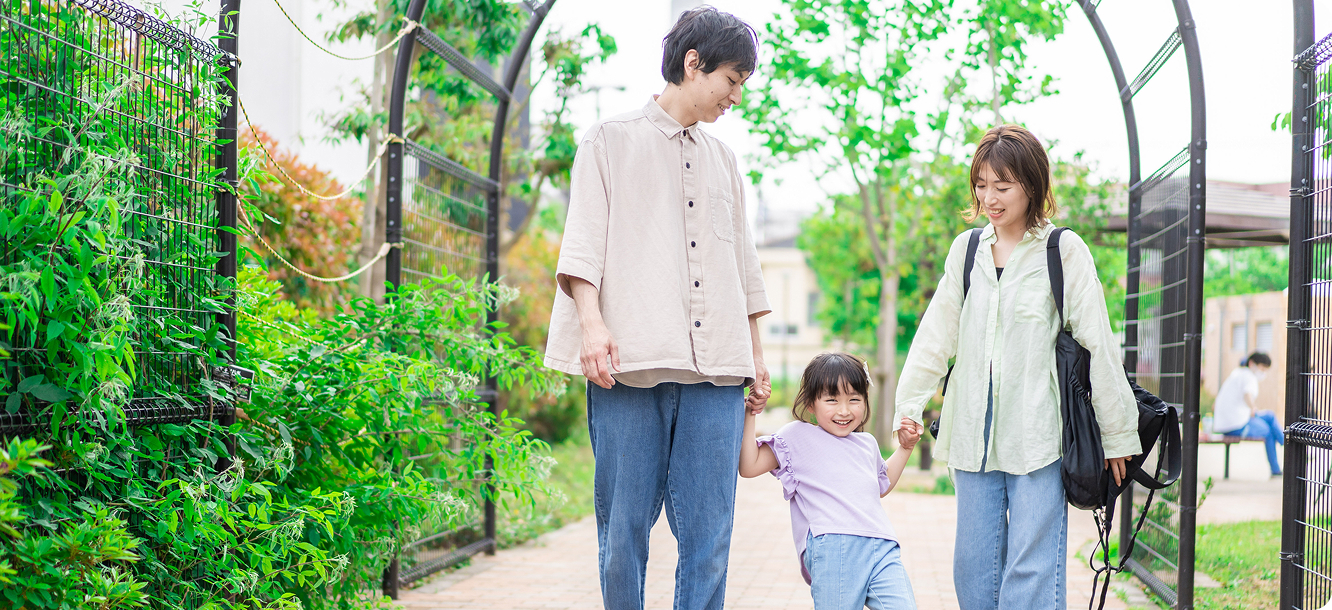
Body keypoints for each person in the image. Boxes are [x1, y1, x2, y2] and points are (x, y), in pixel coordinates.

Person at [542, 8, 770, 610]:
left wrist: (756, 356)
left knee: (710, 538)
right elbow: (583, 244)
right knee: (622, 537)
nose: (735, 97)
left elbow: (743, 269)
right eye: (732, 80)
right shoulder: (608, 141)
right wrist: (591, 326)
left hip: (716, 373)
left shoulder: (725, 161)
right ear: (693, 64)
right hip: (630, 365)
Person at [894, 125, 1140, 610]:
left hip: (1039, 437)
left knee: (1031, 570)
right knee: (974, 570)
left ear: (1032, 185)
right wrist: (910, 403)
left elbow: (1099, 344)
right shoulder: (967, 251)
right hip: (973, 438)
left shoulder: (1063, 251)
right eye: (981, 185)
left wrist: (1117, 435)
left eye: (1002, 186)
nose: (990, 197)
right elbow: (935, 335)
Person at [738, 352, 921, 609]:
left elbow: (880, 485)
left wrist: (905, 448)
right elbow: (749, 465)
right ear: (811, 403)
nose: (844, 411)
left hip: (882, 546)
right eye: (832, 400)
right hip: (836, 546)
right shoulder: (796, 435)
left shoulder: (866, 443)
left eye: (854, 399)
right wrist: (750, 413)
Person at [1213, 352, 1283, 476]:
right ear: (1252, 364)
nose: (1263, 373)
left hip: (1230, 421)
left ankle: (1280, 459)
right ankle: (1287, 452)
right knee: (1268, 430)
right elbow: (1247, 394)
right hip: (1235, 425)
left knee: (1270, 416)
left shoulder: (1238, 373)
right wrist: (1253, 408)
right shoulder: (1248, 376)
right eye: (1262, 369)